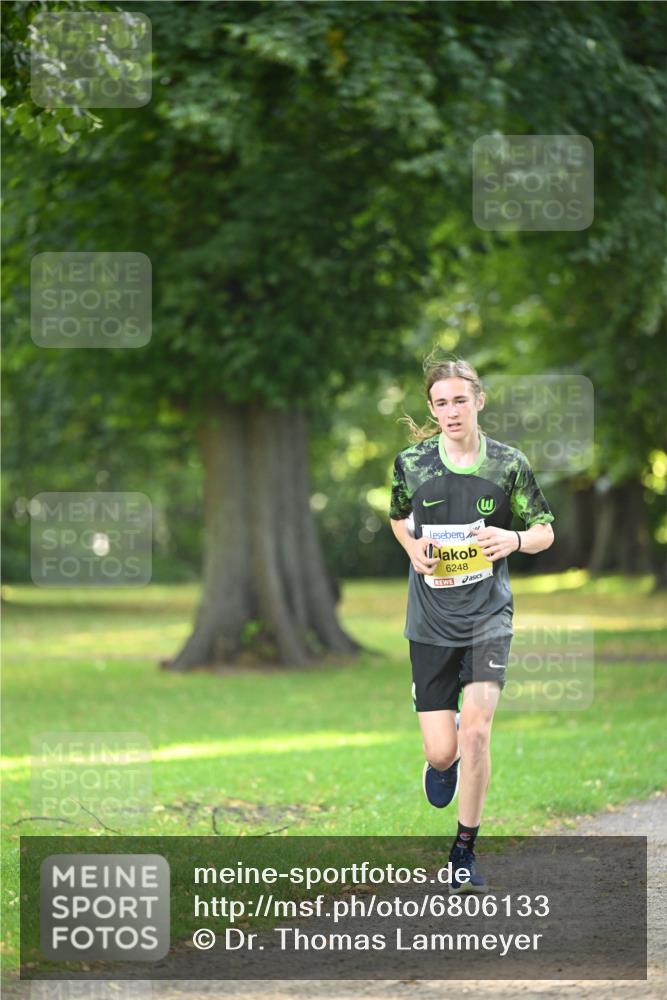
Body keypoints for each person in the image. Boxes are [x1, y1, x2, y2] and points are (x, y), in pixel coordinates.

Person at [389, 357, 554, 892]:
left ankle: (464, 850)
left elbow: (545, 530)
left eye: (460, 399)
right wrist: (413, 548)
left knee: (477, 730)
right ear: (432, 410)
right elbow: (397, 515)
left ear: (478, 401)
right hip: (430, 621)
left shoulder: (508, 463)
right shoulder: (411, 463)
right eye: (441, 403)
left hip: (488, 616)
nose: (451, 411)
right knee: (443, 749)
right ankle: (441, 766)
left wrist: (515, 539)